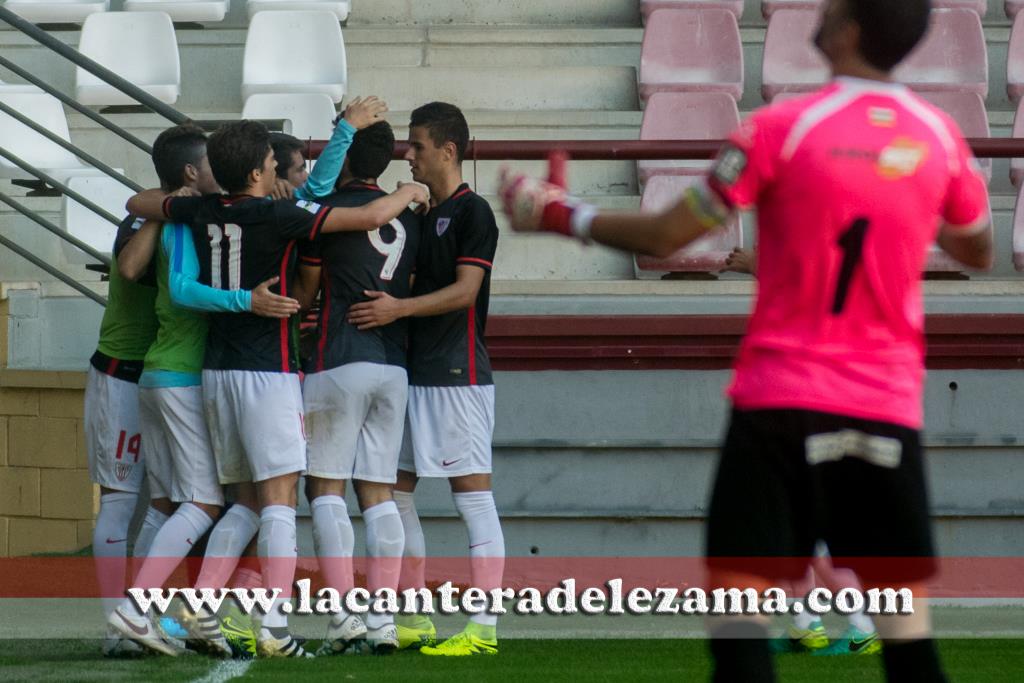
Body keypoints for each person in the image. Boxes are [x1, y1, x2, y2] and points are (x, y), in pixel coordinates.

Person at [497, 1, 991, 680]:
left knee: (740, 632)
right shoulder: (940, 138)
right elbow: (977, 246)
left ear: (848, 29)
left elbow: (671, 234)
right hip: (885, 408)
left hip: (779, 405)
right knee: (909, 644)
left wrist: (561, 214)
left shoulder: (777, 130)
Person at [124, 118, 428, 658]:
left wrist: (183, 194)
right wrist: (409, 189)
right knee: (281, 501)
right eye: (270, 161)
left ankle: (191, 607)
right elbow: (372, 215)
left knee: (241, 500)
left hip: (217, 372)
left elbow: (138, 201)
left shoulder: (201, 209)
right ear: (261, 170)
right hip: (270, 369)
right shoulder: (279, 215)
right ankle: (274, 628)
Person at [108, 123, 302, 657]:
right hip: (186, 373)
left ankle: (158, 618)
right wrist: (246, 301)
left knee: (170, 506)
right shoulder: (191, 216)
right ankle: (137, 610)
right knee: (202, 504)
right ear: (193, 173)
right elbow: (182, 287)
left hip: (165, 371)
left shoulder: (192, 212)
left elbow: (137, 226)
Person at [346, 102, 503, 656]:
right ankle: (414, 616)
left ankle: (483, 628)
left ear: (448, 150)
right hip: (411, 375)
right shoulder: (417, 214)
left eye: (415, 145)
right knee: (394, 493)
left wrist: (398, 310)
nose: (407, 155)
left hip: (456, 374)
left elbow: (466, 292)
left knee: (472, 497)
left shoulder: (473, 212)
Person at [294, 120, 421, 655]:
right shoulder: (408, 219)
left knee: (324, 487)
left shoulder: (332, 214)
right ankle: (383, 620)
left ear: (344, 159)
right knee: (378, 492)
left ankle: (343, 615)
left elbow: (305, 292)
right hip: (393, 365)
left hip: (339, 353)